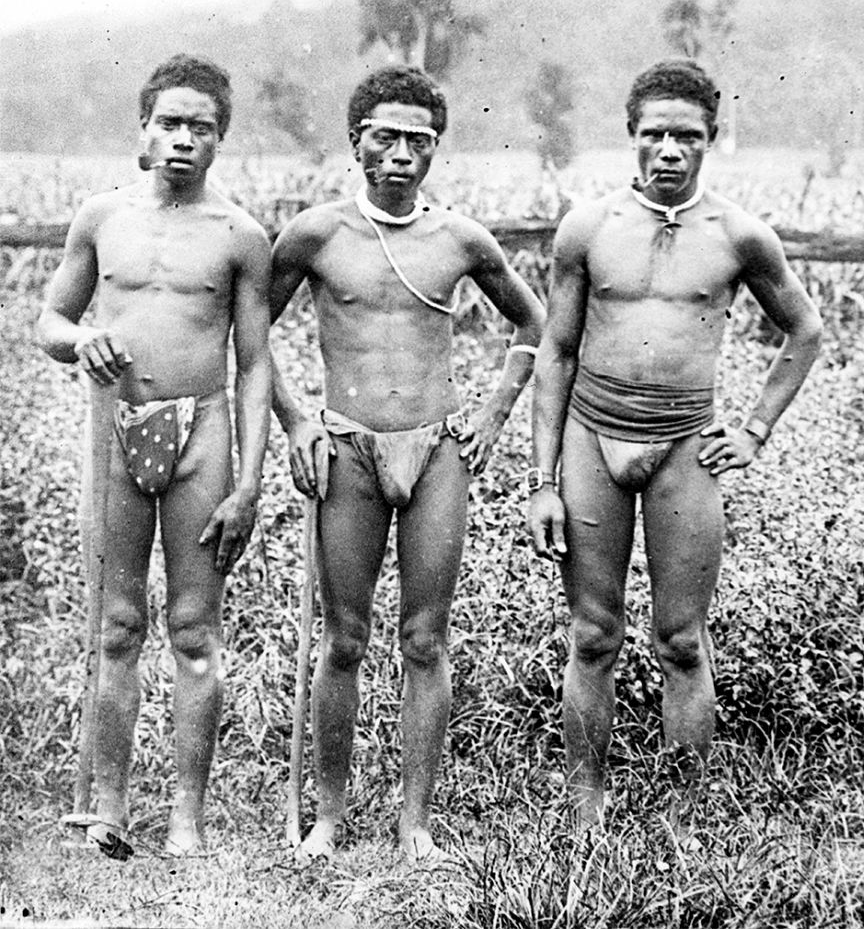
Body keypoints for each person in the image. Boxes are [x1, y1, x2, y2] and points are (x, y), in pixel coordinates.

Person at [527, 59, 822, 830]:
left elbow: (805, 329)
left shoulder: (740, 235)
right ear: (631, 136)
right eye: (653, 134)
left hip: (685, 449)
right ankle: (584, 813)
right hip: (594, 440)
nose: (668, 150)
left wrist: (754, 428)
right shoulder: (587, 227)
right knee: (593, 635)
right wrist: (542, 479)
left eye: (685, 137)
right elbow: (556, 350)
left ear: (709, 143)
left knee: (682, 640)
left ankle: (680, 822)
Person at [270, 64, 545, 862]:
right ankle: (328, 816)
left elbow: (534, 323)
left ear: (436, 150)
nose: (399, 156)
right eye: (383, 138)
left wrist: (494, 416)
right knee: (345, 638)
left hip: (437, 451)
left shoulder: (461, 240)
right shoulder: (316, 234)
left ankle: (414, 824)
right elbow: (247, 333)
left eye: (417, 142)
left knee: (426, 638)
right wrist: (295, 423)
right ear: (356, 142)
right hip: (347, 445)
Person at [37, 54, 271, 856]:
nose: (181, 139)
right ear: (144, 129)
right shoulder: (102, 217)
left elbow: (255, 364)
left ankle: (186, 819)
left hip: (202, 431)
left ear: (219, 140)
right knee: (117, 625)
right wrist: (82, 339)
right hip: (117, 429)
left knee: (194, 629)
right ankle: (107, 808)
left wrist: (248, 482)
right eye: (168, 123)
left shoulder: (240, 235)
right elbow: (50, 321)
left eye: (199, 128)